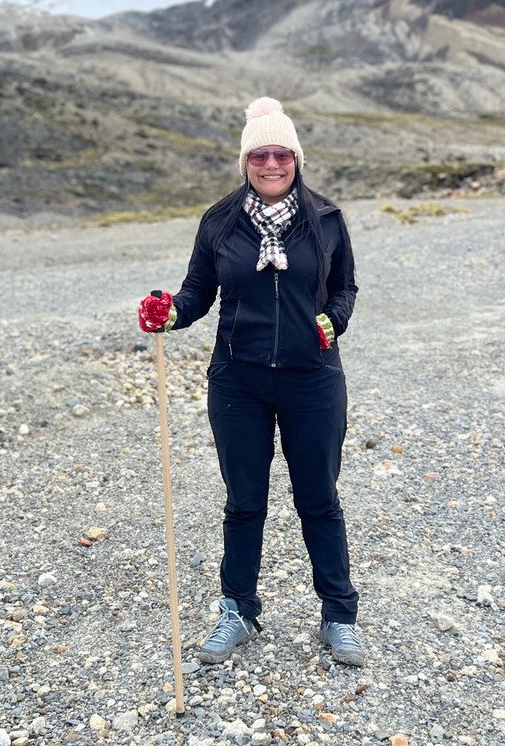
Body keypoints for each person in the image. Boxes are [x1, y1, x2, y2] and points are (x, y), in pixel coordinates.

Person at [137, 97, 365, 668]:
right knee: (244, 502)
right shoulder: (219, 222)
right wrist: (170, 311)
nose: (271, 163)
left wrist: (332, 322)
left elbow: (346, 290)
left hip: (313, 379)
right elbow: (197, 294)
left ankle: (339, 615)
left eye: (281, 153)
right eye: (259, 153)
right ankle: (237, 610)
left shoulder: (327, 219)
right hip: (238, 381)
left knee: (319, 499)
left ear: (296, 158)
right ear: (245, 160)